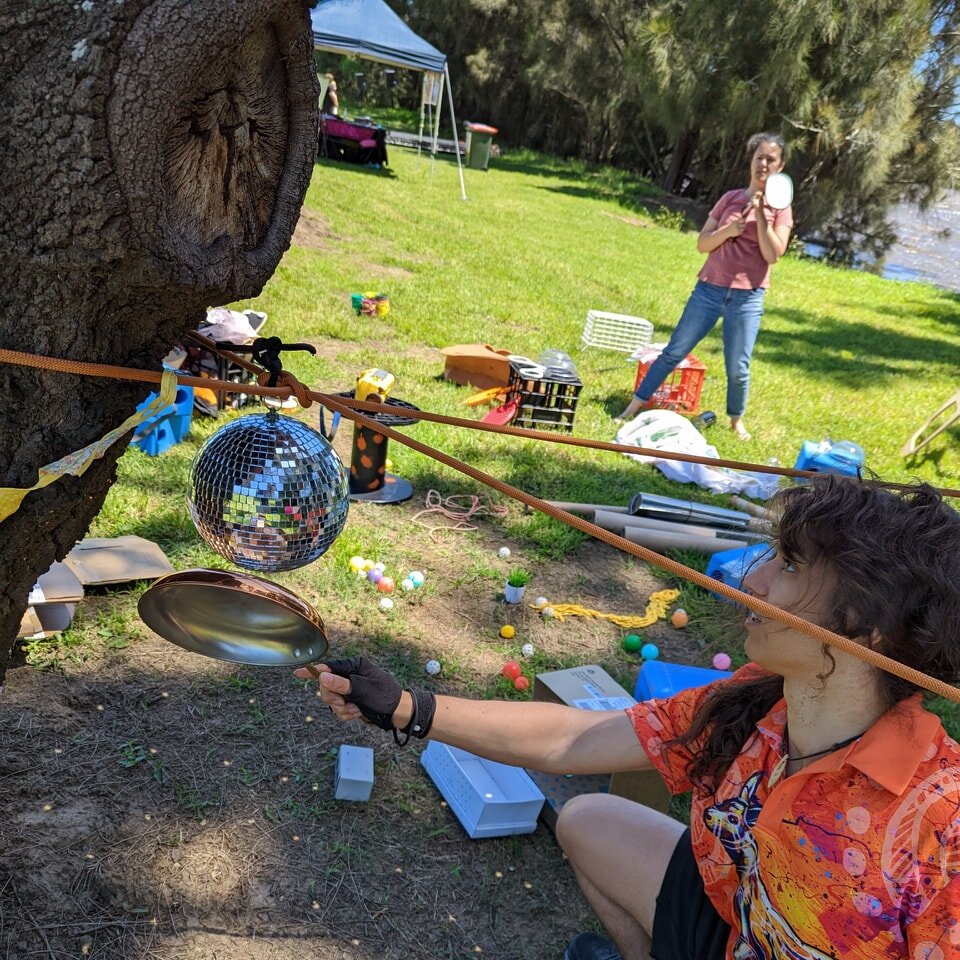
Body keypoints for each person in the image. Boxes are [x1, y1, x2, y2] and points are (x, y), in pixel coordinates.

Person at [297, 475, 960, 960]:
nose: (754, 581)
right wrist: (408, 709)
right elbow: (575, 738)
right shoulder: (761, 695)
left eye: (788, 566)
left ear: (864, 628)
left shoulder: (937, 822)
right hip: (737, 929)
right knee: (589, 821)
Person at [616, 134, 794, 441]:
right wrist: (729, 229)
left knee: (739, 367)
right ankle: (632, 407)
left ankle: (736, 421)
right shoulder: (730, 198)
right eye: (759, 157)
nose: (763, 164)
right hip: (709, 289)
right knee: (674, 351)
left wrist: (762, 220)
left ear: (780, 166)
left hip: (747, 297)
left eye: (771, 159)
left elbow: (773, 254)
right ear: (751, 161)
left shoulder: (781, 209)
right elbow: (703, 243)